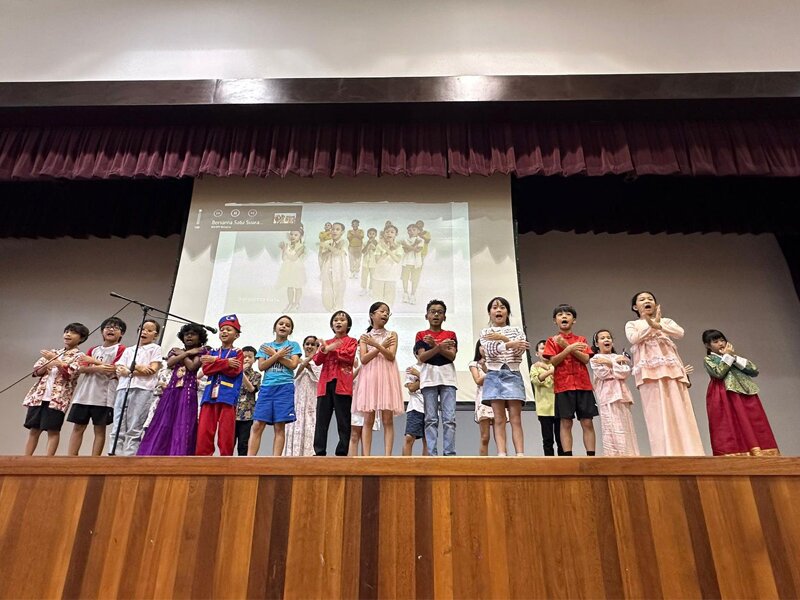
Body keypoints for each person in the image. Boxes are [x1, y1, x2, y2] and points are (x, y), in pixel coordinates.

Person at [625, 292, 704, 456]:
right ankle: (664, 453)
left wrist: (658, 325)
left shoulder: (665, 321)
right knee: (655, 413)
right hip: (649, 373)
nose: (647, 301)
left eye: (650, 299)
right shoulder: (632, 324)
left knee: (680, 408)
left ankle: (691, 451)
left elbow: (679, 333)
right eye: (642, 300)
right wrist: (650, 325)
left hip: (672, 370)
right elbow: (633, 339)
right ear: (635, 307)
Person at [701, 329, 779, 456]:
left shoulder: (734, 357)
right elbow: (718, 373)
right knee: (731, 423)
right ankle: (737, 452)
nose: (721, 343)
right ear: (707, 345)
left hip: (744, 392)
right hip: (725, 394)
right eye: (716, 341)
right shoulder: (709, 359)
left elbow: (754, 370)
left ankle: (760, 451)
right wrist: (727, 357)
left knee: (752, 421)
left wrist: (733, 357)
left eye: (722, 340)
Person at [137, 323, 208, 456]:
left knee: (183, 423)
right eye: (187, 334)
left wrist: (183, 355)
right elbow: (170, 363)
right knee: (163, 422)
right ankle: (156, 454)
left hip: (188, 391)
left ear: (200, 338)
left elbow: (192, 367)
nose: (189, 336)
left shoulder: (202, 351)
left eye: (193, 334)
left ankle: (178, 456)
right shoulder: (176, 350)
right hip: (171, 391)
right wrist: (187, 353)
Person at [23, 322, 89, 456]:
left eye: (73, 332)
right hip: (39, 397)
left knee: (53, 431)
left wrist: (57, 362)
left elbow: (70, 374)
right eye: (66, 331)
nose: (68, 334)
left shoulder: (79, 356)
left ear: (81, 338)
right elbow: (37, 371)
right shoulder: (53, 352)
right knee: (34, 430)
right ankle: (26, 459)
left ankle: (49, 461)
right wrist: (49, 362)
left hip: (58, 399)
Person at [66, 317, 126, 456]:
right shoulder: (93, 349)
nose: (111, 329)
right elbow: (80, 368)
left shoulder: (121, 349)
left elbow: (114, 369)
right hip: (85, 394)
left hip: (104, 396)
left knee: (99, 429)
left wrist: (93, 363)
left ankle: (95, 460)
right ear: (101, 331)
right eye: (108, 327)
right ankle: (71, 458)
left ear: (121, 334)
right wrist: (99, 367)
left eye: (115, 328)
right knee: (78, 427)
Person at [543, 304, 598, 457]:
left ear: (574, 320)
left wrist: (567, 346)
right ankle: (568, 457)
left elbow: (586, 359)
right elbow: (553, 362)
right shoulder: (551, 341)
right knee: (566, 423)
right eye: (560, 315)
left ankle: (591, 457)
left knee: (587, 422)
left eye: (567, 314)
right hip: (563, 387)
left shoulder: (581, 339)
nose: (564, 317)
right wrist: (568, 349)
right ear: (555, 320)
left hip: (583, 385)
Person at [351, 302, 404, 455]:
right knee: (368, 419)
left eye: (387, 312)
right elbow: (364, 359)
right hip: (370, 377)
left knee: (388, 419)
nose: (385, 314)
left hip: (387, 376)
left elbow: (391, 355)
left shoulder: (392, 334)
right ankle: (366, 456)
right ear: (372, 315)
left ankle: (387, 456)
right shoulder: (365, 337)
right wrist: (379, 345)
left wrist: (376, 345)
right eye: (382, 311)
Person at [480, 297, 529, 456]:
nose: (498, 310)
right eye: (494, 307)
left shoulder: (517, 330)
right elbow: (490, 351)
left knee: (515, 419)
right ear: (489, 313)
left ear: (507, 312)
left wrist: (503, 339)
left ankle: (520, 454)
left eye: (502, 307)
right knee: (499, 419)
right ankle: (502, 453)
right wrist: (508, 344)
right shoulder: (486, 332)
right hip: (494, 375)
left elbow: (519, 351)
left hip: (513, 373)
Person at [249, 315, 301, 456]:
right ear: (275, 327)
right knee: (257, 424)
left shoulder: (293, 345)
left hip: (284, 387)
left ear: (290, 330)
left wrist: (275, 355)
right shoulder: (265, 347)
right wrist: (276, 355)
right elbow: (262, 366)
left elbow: (293, 365)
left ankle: (276, 460)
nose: (283, 326)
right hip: (267, 388)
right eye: (281, 324)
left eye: (287, 325)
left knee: (279, 426)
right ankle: (249, 460)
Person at [111, 319, 164, 456]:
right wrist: (137, 367)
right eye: (142, 328)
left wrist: (129, 370)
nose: (144, 332)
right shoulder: (129, 350)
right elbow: (119, 368)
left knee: (135, 427)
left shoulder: (155, 348)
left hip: (143, 389)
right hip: (123, 388)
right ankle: (113, 456)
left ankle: (129, 458)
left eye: (149, 330)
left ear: (156, 335)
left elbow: (151, 370)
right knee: (118, 425)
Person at [414, 299, 458, 456]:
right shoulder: (421, 335)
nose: (436, 314)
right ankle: (432, 454)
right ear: (426, 315)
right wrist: (439, 347)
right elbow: (422, 358)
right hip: (429, 378)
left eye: (440, 312)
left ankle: (449, 454)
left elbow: (451, 356)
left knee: (449, 419)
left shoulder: (450, 334)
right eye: (432, 311)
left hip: (448, 378)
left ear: (445, 316)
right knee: (431, 419)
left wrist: (434, 346)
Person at [196, 314, 244, 456]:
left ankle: (226, 460)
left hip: (228, 396)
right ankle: (202, 459)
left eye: (229, 329)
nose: (224, 332)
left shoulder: (238, 352)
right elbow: (206, 369)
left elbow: (234, 370)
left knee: (226, 431)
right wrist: (225, 362)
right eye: (222, 329)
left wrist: (215, 361)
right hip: (209, 394)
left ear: (236, 335)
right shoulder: (212, 352)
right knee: (204, 430)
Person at [313, 311, 358, 456]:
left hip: (342, 385)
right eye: (335, 320)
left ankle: (342, 451)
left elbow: (349, 357)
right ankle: (319, 451)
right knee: (321, 420)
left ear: (348, 325)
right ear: (332, 325)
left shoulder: (352, 341)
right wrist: (324, 350)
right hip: (325, 384)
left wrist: (333, 350)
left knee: (343, 420)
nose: (338, 322)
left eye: (342, 320)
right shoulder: (327, 342)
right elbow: (317, 360)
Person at [589, 329, 640, 457]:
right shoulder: (595, 358)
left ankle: (630, 457)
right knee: (611, 429)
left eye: (608, 337)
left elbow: (625, 373)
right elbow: (603, 374)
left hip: (622, 396)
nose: (606, 340)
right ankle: (615, 458)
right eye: (602, 338)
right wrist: (615, 366)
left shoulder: (619, 357)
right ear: (596, 343)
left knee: (626, 428)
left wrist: (610, 363)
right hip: (607, 398)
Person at [285, 336, 321, 456]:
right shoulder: (295, 362)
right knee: (294, 428)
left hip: (312, 403)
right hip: (296, 403)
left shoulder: (320, 364)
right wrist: (304, 362)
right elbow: (294, 376)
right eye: (307, 344)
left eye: (313, 344)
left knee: (311, 428)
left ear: (317, 347)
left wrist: (309, 361)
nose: (309, 346)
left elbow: (319, 378)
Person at [530, 339, 563, 456]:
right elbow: (536, 380)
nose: (545, 351)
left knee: (562, 440)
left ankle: (564, 465)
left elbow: (561, 379)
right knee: (548, 440)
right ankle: (550, 465)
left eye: (548, 348)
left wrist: (546, 367)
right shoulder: (535, 367)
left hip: (560, 408)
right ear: (536, 353)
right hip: (544, 409)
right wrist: (550, 371)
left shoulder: (559, 365)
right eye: (542, 348)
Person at [234, 346, 261, 456]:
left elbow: (251, 389)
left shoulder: (256, 375)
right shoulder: (232, 373)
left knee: (243, 444)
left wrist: (241, 373)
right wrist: (238, 371)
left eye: (250, 357)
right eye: (244, 357)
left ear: (255, 359)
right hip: (232, 412)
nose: (246, 359)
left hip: (247, 415)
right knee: (228, 442)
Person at [468, 342, 494, 456]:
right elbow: (478, 380)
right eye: (482, 345)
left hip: (497, 397)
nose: (484, 348)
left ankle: (503, 463)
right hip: (483, 400)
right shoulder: (474, 364)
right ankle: (484, 464)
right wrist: (492, 372)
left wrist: (491, 369)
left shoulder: (496, 363)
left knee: (500, 436)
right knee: (485, 437)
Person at [371, 225, 404, 305]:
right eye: (387, 232)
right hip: (378, 276)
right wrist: (386, 250)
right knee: (377, 299)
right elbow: (378, 261)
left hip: (391, 276)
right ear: (384, 234)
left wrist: (389, 250)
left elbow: (397, 260)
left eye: (392, 232)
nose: (389, 234)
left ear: (396, 234)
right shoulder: (379, 246)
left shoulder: (399, 247)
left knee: (389, 300)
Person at [320, 222, 348, 312]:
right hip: (327, 267)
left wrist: (328, 247)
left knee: (339, 289)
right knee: (327, 289)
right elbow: (323, 256)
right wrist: (328, 248)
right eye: (333, 229)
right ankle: (329, 307)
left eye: (337, 229)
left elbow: (338, 252)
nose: (334, 231)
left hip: (339, 269)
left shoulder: (344, 242)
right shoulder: (327, 242)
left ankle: (338, 308)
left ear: (342, 232)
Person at [276, 229, 307, 312]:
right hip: (288, 268)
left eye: (296, 235)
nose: (293, 236)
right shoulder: (287, 245)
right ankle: (290, 303)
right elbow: (284, 258)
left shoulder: (301, 246)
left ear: (300, 236)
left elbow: (294, 258)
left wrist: (286, 249)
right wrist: (283, 249)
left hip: (297, 268)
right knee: (289, 286)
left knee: (297, 286)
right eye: (291, 234)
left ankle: (296, 303)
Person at [403, 363, 428, 456]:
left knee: (428, 441)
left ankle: (426, 469)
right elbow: (412, 387)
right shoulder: (411, 368)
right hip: (415, 407)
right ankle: (406, 467)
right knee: (409, 438)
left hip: (431, 408)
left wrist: (418, 375)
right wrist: (426, 378)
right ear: (415, 354)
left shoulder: (434, 367)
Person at [400, 223, 424, 305]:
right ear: (407, 232)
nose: (412, 231)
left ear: (418, 231)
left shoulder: (421, 240)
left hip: (416, 263)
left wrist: (408, 246)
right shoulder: (404, 240)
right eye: (409, 230)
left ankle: (413, 294)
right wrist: (414, 245)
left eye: (414, 230)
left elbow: (418, 250)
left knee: (415, 279)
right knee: (405, 278)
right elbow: (406, 251)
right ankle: (405, 293)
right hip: (406, 262)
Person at [359, 227, 379, 296]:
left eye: (373, 234)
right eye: (370, 234)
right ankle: (363, 289)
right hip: (365, 262)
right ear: (367, 235)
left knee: (373, 276)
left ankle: (371, 289)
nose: (371, 235)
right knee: (364, 276)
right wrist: (368, 244)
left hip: (374, 262)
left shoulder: (377, 243)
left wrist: (374, 248)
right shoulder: (364, 242)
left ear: (376, 235)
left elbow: (378, 252)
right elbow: (362, 251)